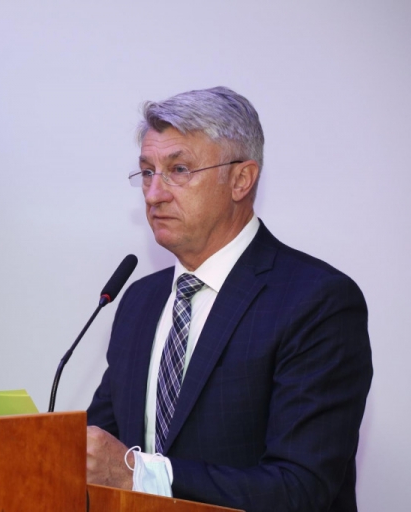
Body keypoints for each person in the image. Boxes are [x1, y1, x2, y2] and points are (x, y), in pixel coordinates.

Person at [86, 87, 372, 512]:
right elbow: (103, 448)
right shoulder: (139, 301)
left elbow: (300, 489)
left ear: (241, 180)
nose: (153, 194)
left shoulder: (317, 301)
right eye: (147, 172)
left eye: (178, 169)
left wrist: (140, 476)